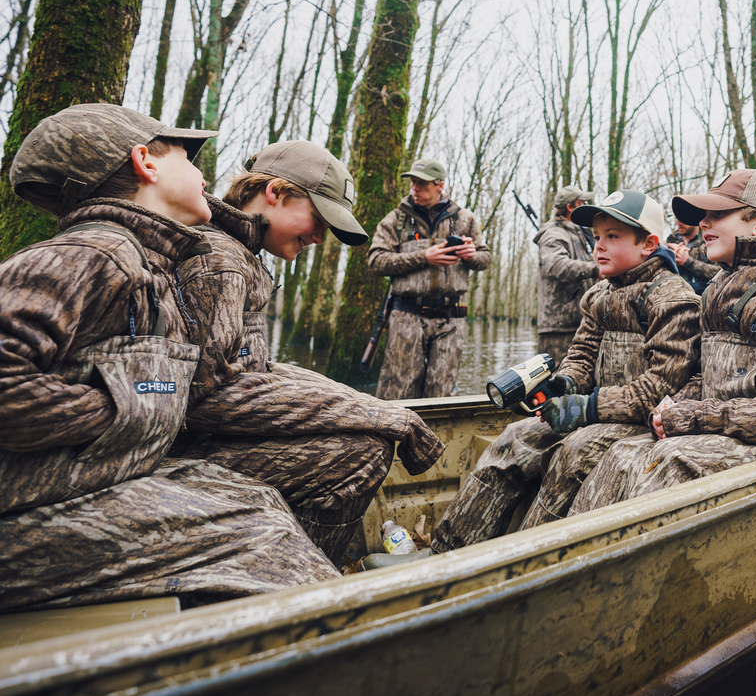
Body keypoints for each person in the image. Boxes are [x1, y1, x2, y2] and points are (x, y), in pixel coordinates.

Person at [0, 104, 339, 611]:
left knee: (260, 501)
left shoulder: (146, 261)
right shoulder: (94, 254)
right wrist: (128, 405)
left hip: (91, 482)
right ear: (146, 163)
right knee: (268, 536)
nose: (205, 176)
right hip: (25, 513)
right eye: (189, 158)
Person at [175, 140, 445, 563]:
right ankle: (301, 582)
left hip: (211, 440)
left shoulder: (244, 255)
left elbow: (255, 370)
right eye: (318, 219)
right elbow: (206, 397)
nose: (320, 237)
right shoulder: (222, 261)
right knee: (362, 454)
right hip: (183, 455)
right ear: (276, 193)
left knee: (368, 429)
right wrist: (379, 414)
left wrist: (361, 404)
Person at [569, 169, 756, 517]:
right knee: (621, 454)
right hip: (733, 428)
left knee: (666, 463)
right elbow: (715, 378)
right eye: (704, 215)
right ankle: (555, 562)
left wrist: (697, 415)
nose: (703, 223)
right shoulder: (720, 286)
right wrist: (675, 403)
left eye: (718, 214)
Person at [429, 190, 701, 553]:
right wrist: (566, 382)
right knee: (515, 437)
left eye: (613, 237)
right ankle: (446, 552)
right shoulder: (599, 294)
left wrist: (585, 408)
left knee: (575, 451)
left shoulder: (673, 300)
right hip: (599, 409)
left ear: (649, 244)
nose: (598, 247)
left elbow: (656, 390)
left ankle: (522, 563)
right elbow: (582, 353)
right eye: (597, 237)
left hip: (642, 421)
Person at [367, 158, 491, 400]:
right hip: (406, 316)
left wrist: (471, 255)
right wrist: (424, 257)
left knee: (441, 393)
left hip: (451, 319)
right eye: (412, 182)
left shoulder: (464, 219)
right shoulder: (396, 219)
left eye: (421, 184)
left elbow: (485, 258)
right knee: (398, 391)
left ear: (439, 185)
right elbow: (376, 260)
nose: (414, 188)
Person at [534, 185, 599, 368]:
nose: (586, 205)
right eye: (582, 202)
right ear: (571, 207)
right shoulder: (554, 233)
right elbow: (554, 265)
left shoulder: (580, 233)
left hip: (580, 322)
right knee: (557, 381)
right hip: (559, 327)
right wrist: (595, 269)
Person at [665, 212, 718, 295]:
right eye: (677, 218)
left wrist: (687, 262)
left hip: (703, 299)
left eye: (683, 218)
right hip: (675, 296)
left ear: (695, 218)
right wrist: (670, 261)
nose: (679, 223)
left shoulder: (710, 240)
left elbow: (720, 273)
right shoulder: (669, 243)